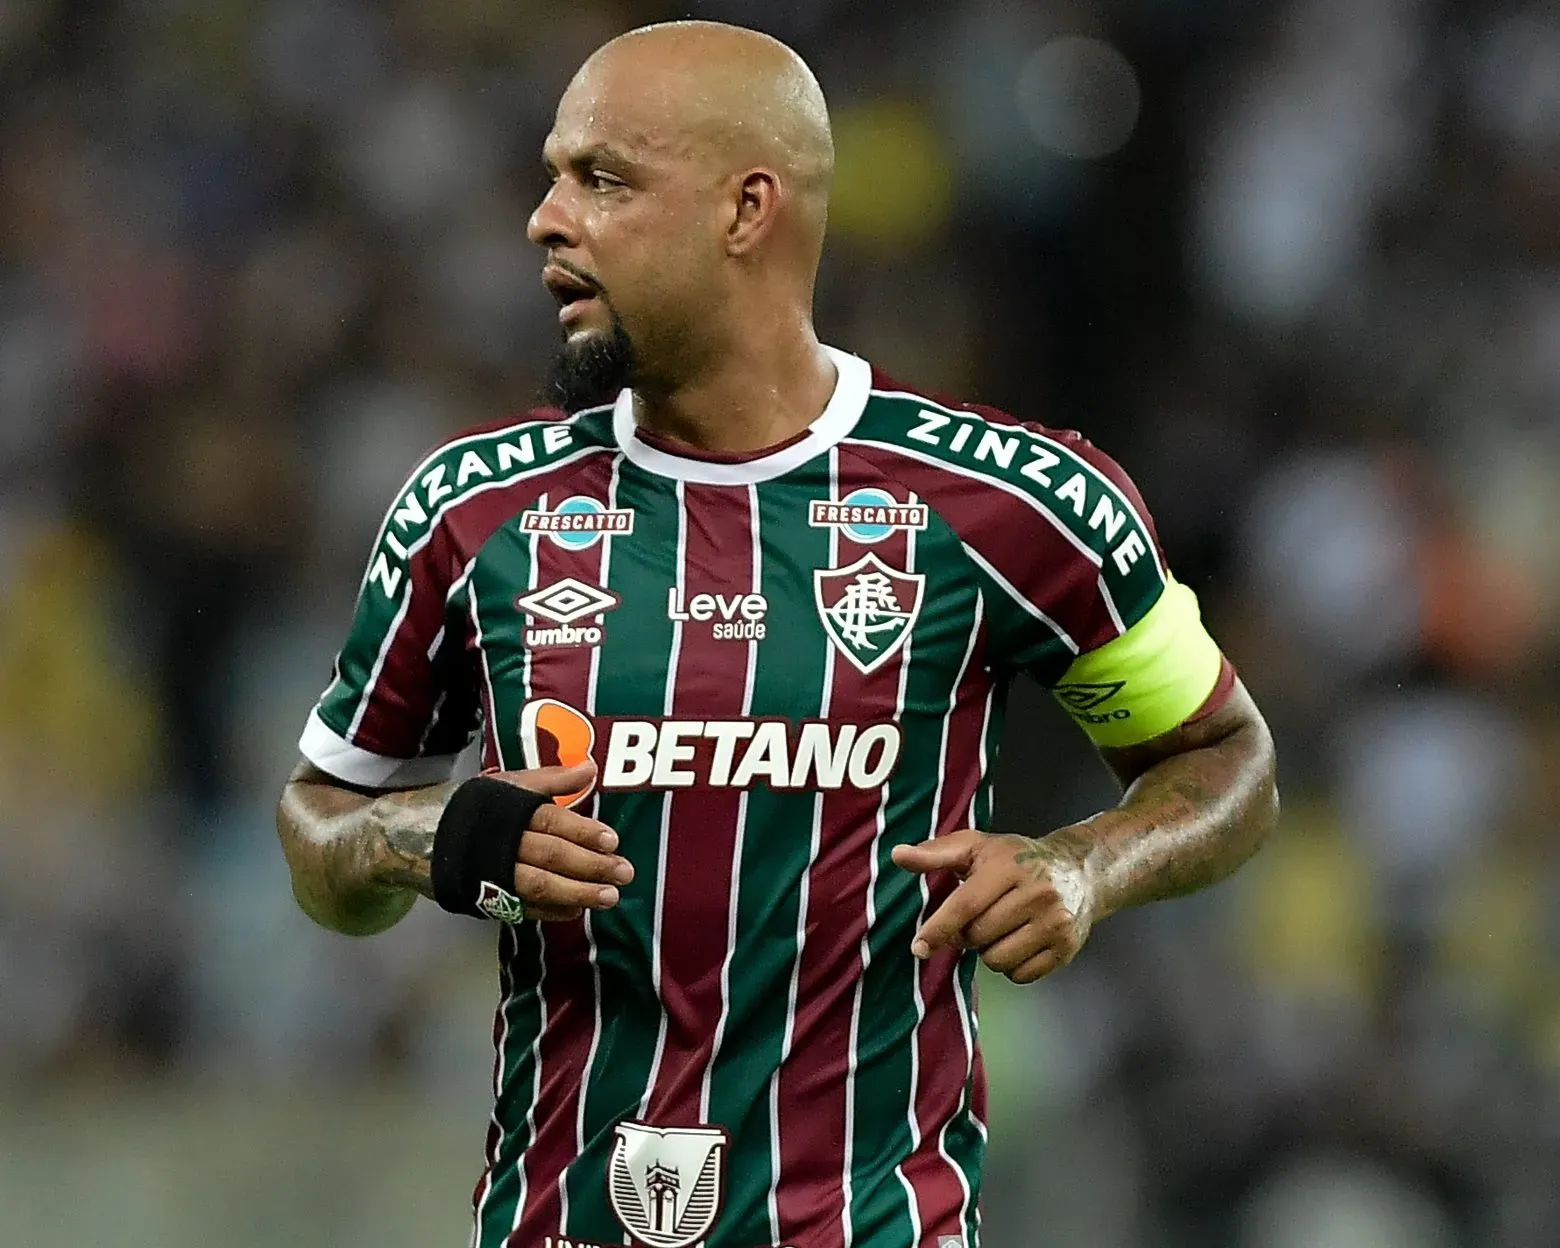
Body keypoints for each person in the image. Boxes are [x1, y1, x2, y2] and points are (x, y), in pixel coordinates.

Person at [276, 20, 1277, 1248]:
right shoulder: (473, 510)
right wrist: (411, 836)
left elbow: (1228, 759)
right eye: (553, 174)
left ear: (746, 209)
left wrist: (1083, 862)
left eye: (602, 178)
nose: (544, 217)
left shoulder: (1011, 505)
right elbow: (318, 829)